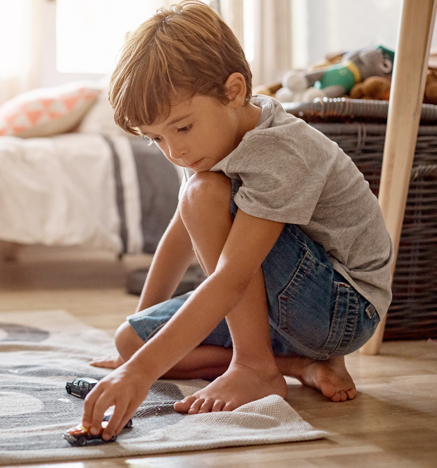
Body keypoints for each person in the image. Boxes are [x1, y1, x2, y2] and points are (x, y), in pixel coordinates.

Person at [81, 0, 393, 442]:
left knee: (204, 193)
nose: (174, 152)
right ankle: (297, 365)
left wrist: (142, 374)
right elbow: (180, 234)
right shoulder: (209, 139)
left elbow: (231, 277)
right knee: (129, 341)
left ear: (233, 90)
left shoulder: (278, 149)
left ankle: (254, 366)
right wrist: (140, 346)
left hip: (342, 306)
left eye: (182, 129)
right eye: (157, 139)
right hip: (287, 308)